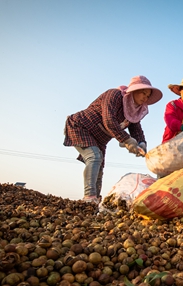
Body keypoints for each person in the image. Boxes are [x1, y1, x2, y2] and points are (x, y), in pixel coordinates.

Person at [64, 75, 163, 203]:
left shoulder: (133, 111)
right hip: (82, 126)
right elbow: (108, 120)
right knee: (94, 157)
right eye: (143, 93)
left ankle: (95, 201)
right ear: (133, 91)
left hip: (100, 139)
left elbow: (136, 129)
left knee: (99, 167)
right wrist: (127, 140)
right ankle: (89, 197)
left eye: (148, 95)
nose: (145, 97)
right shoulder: (115, 95)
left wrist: (141, 143)